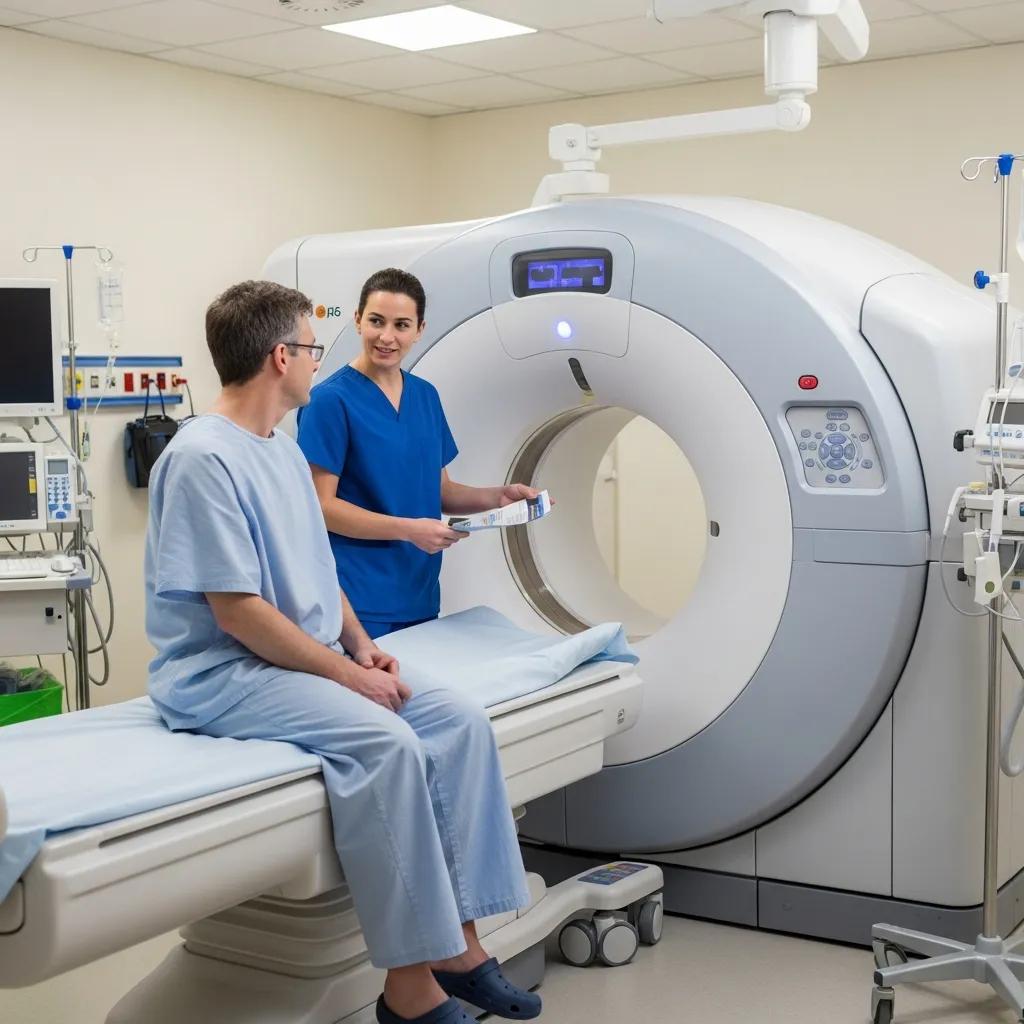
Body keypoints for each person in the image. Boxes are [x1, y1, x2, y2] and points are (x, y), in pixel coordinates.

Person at [144, 280, 540, 1024]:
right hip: (223, 674)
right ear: (279, 356)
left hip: (303, 653)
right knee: (388, 744)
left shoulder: (282, 452)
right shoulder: (203, 457)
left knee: (456, 719)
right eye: (312, 346)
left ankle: (462, 944)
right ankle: (409, 990)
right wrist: (346, 675)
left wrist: (361, 646)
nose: (319, 361)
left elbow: (318, 571)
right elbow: (238, 613)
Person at [296, 268, 539, 640]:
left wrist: (498, 497)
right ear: (358, 320)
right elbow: (322, 507)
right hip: (357, 596)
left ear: (420, 329)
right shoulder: (329, 401)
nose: (387, 336)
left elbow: (440, 491)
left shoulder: (425, 395)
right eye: (376, 321)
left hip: (420, 591)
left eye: (402, 325)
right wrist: (409, 530)